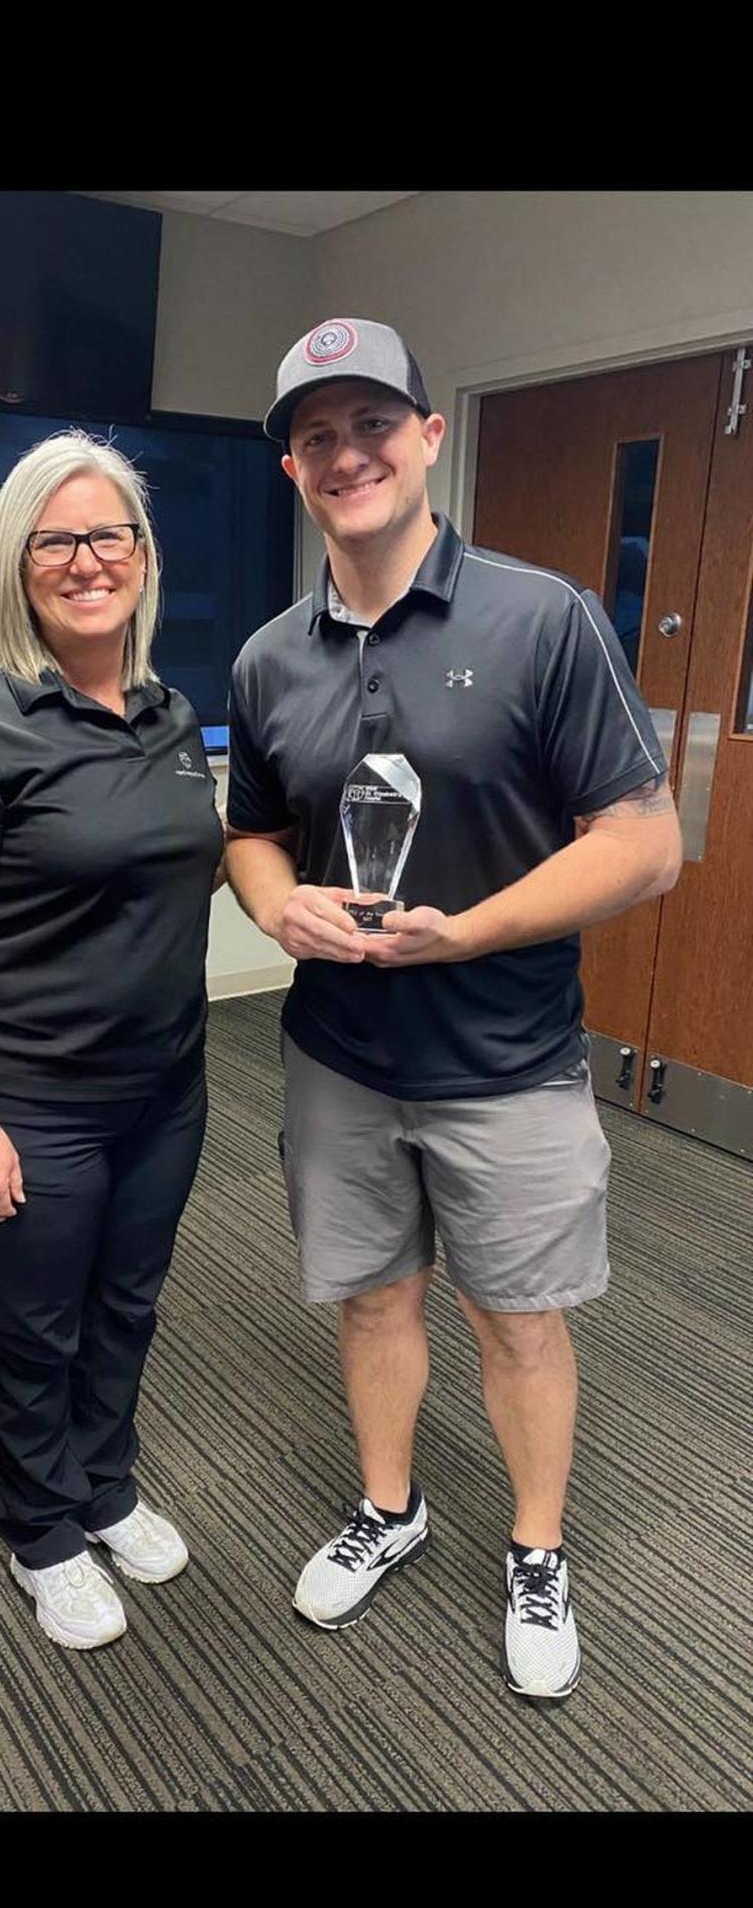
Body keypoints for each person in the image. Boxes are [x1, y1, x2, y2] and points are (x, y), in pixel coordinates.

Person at [225, 318, 682, 1699]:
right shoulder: (268, 659)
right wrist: (269, 903)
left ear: (430, 438)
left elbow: (646, 841)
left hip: (508, 1057)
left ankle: (536, 1548)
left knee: (520, 1320)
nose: (345, 453)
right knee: (372, 1304)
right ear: (296, 471)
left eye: (374, 423)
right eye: (317, 437)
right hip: (339, 1058)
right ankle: (390, 1505)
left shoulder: (539, 616)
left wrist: (468, 931)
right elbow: (251, 831)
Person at [0, 430, 224, 1651]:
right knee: (38, 1327)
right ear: (17, 566)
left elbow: (172, 870)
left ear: (143, 554)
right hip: (27, 1099)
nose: (89, 560)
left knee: (128, 1304)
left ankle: (104, 1484)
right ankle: (41, 1529)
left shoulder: (168, 711)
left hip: (165, 1089)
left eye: (111, 535)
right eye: (57, 540)